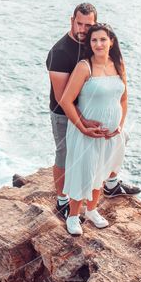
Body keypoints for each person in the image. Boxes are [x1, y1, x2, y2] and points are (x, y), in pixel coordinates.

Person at [46, 3, 139, 220]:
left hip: (94, 107)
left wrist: (111, 118)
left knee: (113, 145)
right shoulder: (59, 53)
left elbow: (117, 90)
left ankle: (111, 184)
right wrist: (83, 123)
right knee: (65, 155)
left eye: (89, 25)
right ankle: (62, 201)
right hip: (63, 112)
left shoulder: (93, 46)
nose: (83, 29)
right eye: (79, 24)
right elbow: (63, 98)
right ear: (72, 21)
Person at [59, 23, 128, 235]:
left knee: (102, 170)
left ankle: (92, 210)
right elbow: (66, 101)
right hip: (85, 134)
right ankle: (73, 216)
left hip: (110, 134)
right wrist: (83, 128)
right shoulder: (84, 67)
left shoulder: (118, 64)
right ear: (90, 44)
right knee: (83, 171)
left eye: (102, 39)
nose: (98, 44)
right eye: (94, 40)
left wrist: (119, 126)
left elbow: (123, 99)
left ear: (111, 42)